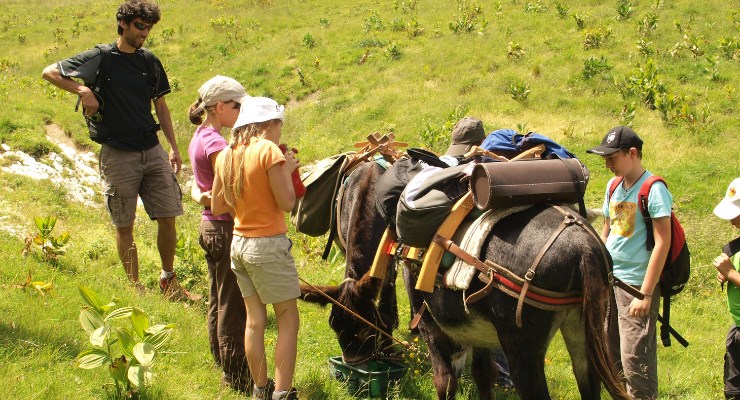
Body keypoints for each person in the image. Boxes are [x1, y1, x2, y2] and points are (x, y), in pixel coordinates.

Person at [41, 0, 187, 299]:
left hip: (151, 147)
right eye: (139, 26)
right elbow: (49, 72)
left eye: (149, 27)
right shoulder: (101, 57)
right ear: (123, 23)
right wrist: (83, 89)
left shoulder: (149, 61)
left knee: (168, 214)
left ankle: (168, 280)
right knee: (124, 222)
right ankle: (135, 288)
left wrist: (173, 147)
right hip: (117, 153)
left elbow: (160, 105)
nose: (145, 32)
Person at [211, 97, 301, 400]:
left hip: (239, 244)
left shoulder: (226, 154)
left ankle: (260, 390)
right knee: (288, 318)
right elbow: (287, 203)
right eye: (279, 125)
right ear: (268, 124)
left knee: (254, 321)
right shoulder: (267, 150)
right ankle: (283, 392)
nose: (280, 132)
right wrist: (286, 170)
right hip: (268, 244)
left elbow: (217, 205)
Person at [587, 126, 673, 399]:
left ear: (632, 153)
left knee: (636, 360)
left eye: (612, 158)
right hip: (611, 282)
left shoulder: (653, 189)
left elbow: (663, 242)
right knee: (610, 354)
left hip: (636, 287)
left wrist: (646, 294)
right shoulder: (613, 186)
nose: (607, 164)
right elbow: (608, 230)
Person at [187, 75, 251, 392]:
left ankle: (221, 360)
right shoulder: (216, 143)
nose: (241, 112)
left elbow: (207, 191)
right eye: (238, 106)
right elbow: (227, 189)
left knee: (218, 298)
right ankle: (237, 375)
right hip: (224, 226)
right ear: (221, 106)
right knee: (233, 304)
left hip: (209, 224)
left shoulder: (201, 134)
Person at [712, 178, 740, 399]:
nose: (731, 220)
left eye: (735, 214)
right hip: (738, 327)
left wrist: (731, 273)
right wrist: (727, 274)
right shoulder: (735, 247)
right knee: (733, 389)